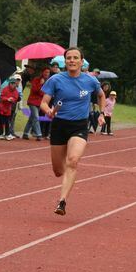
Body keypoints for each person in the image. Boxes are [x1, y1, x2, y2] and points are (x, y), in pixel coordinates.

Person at [38, 47, 104, 216]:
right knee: (58, 170)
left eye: (75, 58)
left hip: (79, 126)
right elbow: (43, 103)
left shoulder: (90, 81)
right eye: (69, 58)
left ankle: (62, 201)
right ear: (65, 61)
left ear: (82, 62)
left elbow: (101, 95)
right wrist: (49, 111)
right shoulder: (55, 80)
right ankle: (64, 177)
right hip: (59, 125)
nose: (72, 60)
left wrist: (101, 114)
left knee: (73, 161)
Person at [22, 67, 48, 141]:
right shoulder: (36, 80)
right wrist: (40, 84)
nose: (47, 74)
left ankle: (25, 133)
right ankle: (39, 134)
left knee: (32, 118)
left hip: (40, 102)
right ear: (42, 73)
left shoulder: (48, 82)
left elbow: (45, 93)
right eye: (45, 72)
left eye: (48, 72)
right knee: (36, 117)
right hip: (32, 102)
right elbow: (35, 90)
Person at [0, 75, 20, 140]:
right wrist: (7, 99)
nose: (13, 85)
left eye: (14, 83)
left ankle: (7, 134)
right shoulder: (5, 89)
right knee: (1, 121)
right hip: (2, 108)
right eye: (11, 83)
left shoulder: (16, 91)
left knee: (7, 122)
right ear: (9, 83)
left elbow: (16, 98)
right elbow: (1, 97)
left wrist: (11, 100)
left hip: (8, 109)